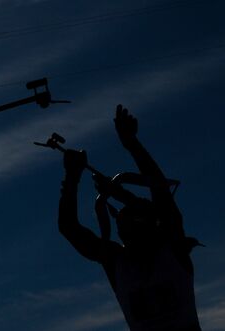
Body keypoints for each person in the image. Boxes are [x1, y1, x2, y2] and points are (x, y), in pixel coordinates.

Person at [58, 105, 202, 331]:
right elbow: (161, 194)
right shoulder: (155, 253)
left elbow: (161, 195)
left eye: (128, 220)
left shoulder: (162, 252)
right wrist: (73, 177)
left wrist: (72, 178)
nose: (123, 226)